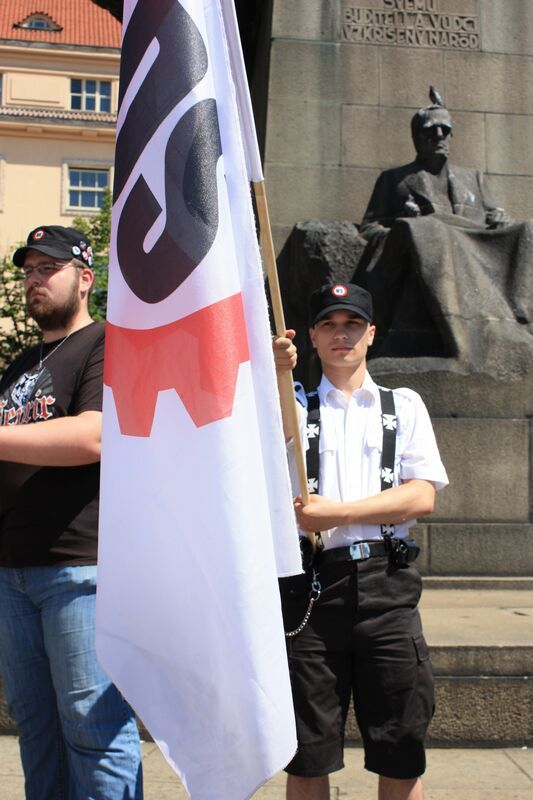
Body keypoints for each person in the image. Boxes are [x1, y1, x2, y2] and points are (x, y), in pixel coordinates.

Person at [273, 282, 448, 800]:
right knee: (306, 754)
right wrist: (275, 369)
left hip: (386, 586)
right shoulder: (293, 404)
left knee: (401, 748)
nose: (341, 334)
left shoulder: (405, 405)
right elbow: (255, 421)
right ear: (311, 336)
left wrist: (338, 512)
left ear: (371, 334)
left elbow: (421, 497)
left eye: (351, 324)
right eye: (328, 324)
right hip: (311, 590)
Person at [0, 226, 143, 799]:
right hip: (13, 573)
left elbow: (93, 437)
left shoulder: (107, 344)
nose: (34, 280)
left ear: (85, 278)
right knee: (36, 733)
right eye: (29, 270)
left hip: (80, 569)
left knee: (94, 728)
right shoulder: (18, 363)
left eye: (48, 269)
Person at [355, 90, 532, 369]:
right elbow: (369, 229)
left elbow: (495, 218)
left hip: (478, 248)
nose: (438, 136)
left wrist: (500, 219)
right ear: (417, 137)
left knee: (528, 230)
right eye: (430, 131)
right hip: (429, 251)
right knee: (429, 231)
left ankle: (519, 315)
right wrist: (404, 221)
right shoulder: (394, 180)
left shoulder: (471, 178)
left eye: (445, 130)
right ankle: (457, 338)